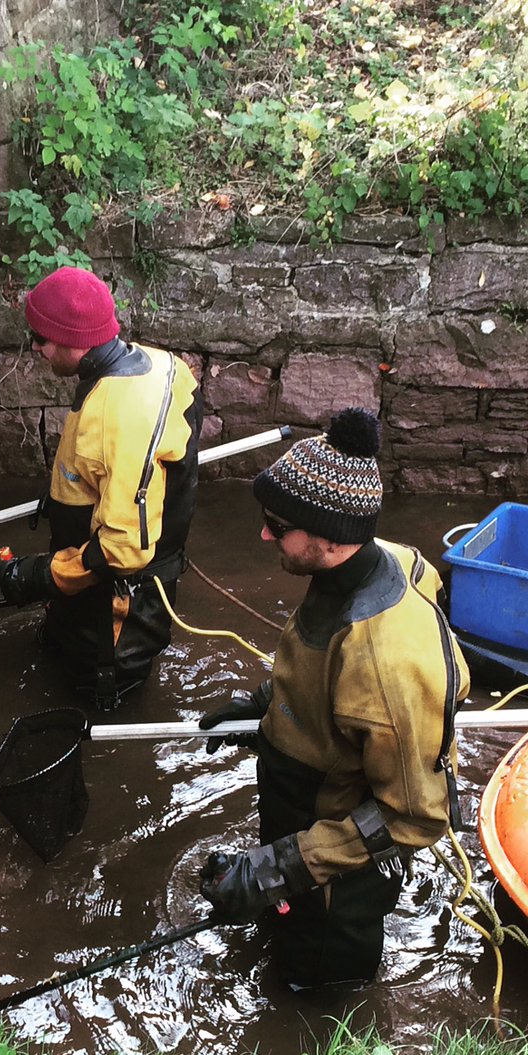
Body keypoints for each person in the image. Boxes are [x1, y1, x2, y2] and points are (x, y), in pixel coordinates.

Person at [197, 407, 470, 990]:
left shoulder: (385, 663)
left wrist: (275, 869)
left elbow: (414, 815)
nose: (264, 533)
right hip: (301, 814)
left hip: (337, 882)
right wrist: (269, 703)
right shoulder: (385, 557)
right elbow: (329, 678)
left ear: (326, 538)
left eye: (277, 523)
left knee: (314, 988)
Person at [0, 266, 203, 709]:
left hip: (118, 612)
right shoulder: (164, 366)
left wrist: (41, 575)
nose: (36, 348)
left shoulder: (116, 414)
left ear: (73, 339)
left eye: (42, 339)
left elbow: (123, 551)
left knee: (94, 702)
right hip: (95, 589)